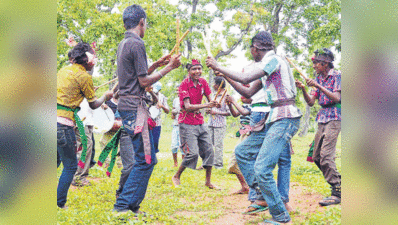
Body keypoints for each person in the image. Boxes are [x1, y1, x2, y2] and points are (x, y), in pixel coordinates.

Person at [206, 31, 302, 224]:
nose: (251, 52)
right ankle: (261, 193)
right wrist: (223, 73)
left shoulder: (274, 60)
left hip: (285, 117)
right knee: (242, 151)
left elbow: (245, 78)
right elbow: (247, 90)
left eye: (251, 49)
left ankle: (281, 217)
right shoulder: (268, 66)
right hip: (272, 118)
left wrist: (219, 65)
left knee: (262, 167)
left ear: (255, 48)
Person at [113, 4, 181, 216]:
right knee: (145, 160)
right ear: (141, 22)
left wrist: (156, 65)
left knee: (147, 159)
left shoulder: (124, 43)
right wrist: (169, 68)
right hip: (135, 108)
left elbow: (137, 75)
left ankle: (131, 205)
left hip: (129, 106)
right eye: (146, 23)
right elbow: (142, 82)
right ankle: (122, 205)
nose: (146, 27)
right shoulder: (137, 43)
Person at [57, 42, 113, 209]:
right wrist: (106, 96)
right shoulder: (84, 77)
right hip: (63, 124)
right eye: (93, 56)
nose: (94, 60)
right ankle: (59, 204)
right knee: (71, 166)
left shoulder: (63, 71)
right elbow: (94, 104)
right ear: (87, 59)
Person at [295, 48, 341, 206]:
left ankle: (338, 190)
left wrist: (318, 86)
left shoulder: (337, 76)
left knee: (326, 156)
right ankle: (338, 183)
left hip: (335, 116)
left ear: (325, 63)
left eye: (316, 63)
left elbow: (336, 97)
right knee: (316, 157)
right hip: (322, 118)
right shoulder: (318, 78)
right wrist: (303, 89)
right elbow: (311, 102)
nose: (314, 66)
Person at [171, 59, 220, 189]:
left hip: (200, 121)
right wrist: (206, 105)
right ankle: (176, 176)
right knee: (192, 153)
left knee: (209, 150)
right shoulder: (184, 85)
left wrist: (214, 105)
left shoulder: (203, 82)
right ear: (189, 71)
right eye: (194, 69)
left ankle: (208, 182)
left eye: (199, 68)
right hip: (186, 122)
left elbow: (211, 99)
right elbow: (187, 107)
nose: (197, 71)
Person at [205, 77, 231, 169]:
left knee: (218, 145)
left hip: (220, 125)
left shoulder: (226, 96)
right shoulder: (212, 95)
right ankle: (208, 163)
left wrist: (216, 112)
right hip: (210, 123)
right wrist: (208, 110)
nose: (212, 85)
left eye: (214, 83)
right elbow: (210, 107)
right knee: (208, 144)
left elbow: (229, 113)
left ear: (218, 85)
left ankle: (218, 165)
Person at [71, 99, 95, 187]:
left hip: (87, 121)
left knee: (85, 147)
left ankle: (78, 175)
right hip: (81, 120)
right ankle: (78, 176)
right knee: (84, 148)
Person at [149, 81, 169, 153]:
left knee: (155, 142)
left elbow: (167, 111)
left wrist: (162, 106)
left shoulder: (162, 97)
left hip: (156, 123)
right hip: (147, 123)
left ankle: (153, 159)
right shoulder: (147, 95)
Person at [170, 84, 185, 167]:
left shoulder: (186, 99)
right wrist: (173, 113)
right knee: (173, 145)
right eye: (176, 90)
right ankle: (175, 163)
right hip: (175, 125)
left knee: (182, 145)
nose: (177, 92)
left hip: (183, 125)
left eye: (178, 90)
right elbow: (172, 115)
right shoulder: (175, 100)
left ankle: (183, 164)